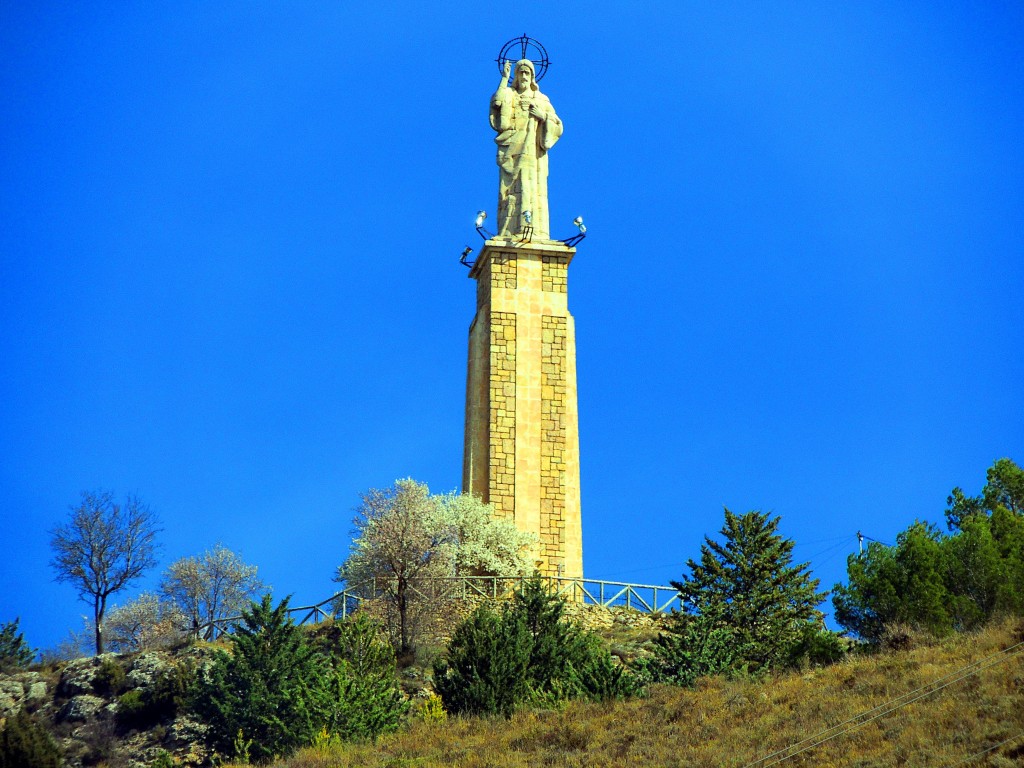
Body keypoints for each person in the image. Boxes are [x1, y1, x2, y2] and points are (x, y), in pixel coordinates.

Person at [490, 58, 563, 239]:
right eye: (520, 72)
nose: (523, 76)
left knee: (531, 187)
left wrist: (543, 116)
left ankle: (532, 228)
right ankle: (509, 228)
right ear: (515, 75)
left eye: (527, 73)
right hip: (512, 151)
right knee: (510, 190)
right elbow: (497, 109)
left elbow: (558, 125)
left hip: (532, 153)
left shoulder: (541, 99)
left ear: (532, 77)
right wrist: (503, 79)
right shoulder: (509, 94)